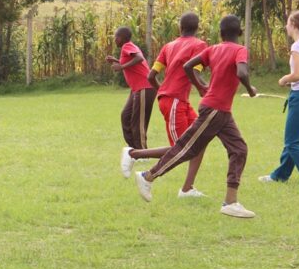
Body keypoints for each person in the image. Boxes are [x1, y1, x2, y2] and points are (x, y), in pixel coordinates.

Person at [134, 15, 257, 218]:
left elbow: (187, 66)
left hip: (221, 111)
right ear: (240, 32)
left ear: (220, 33)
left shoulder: (212, 49)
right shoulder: (240, 50)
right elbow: (242, 73)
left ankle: (230, 202)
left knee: (239, 149)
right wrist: (251, 89)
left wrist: (200, 86)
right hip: (214, 110)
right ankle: (148, 176)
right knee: (186, 149)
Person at [120, 12, 209, 197]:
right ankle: (133, 154)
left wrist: (163, 90)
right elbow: (195, 72)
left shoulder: (169, 46)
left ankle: (187, 189)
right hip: (175, 101)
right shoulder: (199, 45)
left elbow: (151, 75)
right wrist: (203, 88)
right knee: (181, 149)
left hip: (176, 100)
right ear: (197, 28)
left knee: (201, 139)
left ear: (180, 28)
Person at [259, 10, 299, 187]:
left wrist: (284, 79)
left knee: (293, 143)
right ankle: (279, 176)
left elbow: (298, 74)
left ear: (294, 25)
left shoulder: (297, 47)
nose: (286, 26)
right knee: (296, 142)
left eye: (288, 22)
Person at [106, 27, 157, 150]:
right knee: (126, 116)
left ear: (123, 38)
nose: (115, 40)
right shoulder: (127, 48)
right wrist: (117, 61)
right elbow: (132, 62)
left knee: (138, 123)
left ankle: (142, 153)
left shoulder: (127, 46)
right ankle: (134, 150)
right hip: (136, 89)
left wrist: (121, 66)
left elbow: (139, 58)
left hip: (145, 87)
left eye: (116, 37)